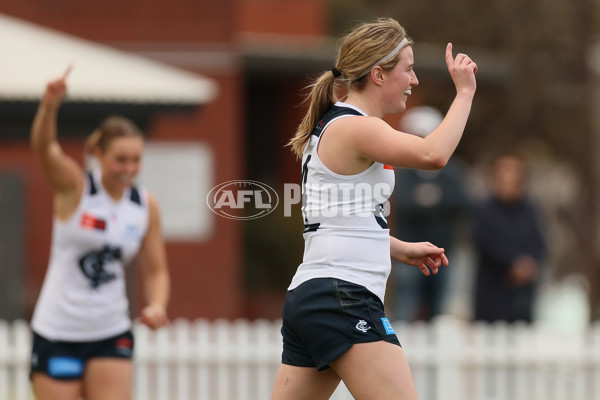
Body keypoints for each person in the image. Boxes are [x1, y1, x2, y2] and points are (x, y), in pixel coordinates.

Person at [271, 18, 477, 400]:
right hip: (342, 296)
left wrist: (398, 247)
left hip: (314, 294)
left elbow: (340, 218)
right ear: (379, 74)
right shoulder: (356, 127)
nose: (414, 80)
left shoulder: (342, 124)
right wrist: (464, 92)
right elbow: (433, 154)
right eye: (408, 68)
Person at [29, 67, 170, 400]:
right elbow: (45, 149)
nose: (129, 169)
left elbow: (156, 268)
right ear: (98, 155)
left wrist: (158, 305)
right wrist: (49, 106)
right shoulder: (75, 189)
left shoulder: (144, 205)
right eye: (120, 160)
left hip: (111, 330)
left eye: (136, 160)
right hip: (58, 330)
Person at [391, 106, 471, 321]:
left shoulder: (452, 172)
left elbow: (463, 204)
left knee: (440, 314)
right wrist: (436, 201)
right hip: (407, 254)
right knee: (405, 310)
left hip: (443, 254)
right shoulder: (401, 171)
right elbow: (406, 205)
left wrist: (430, 199)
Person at [472, 152, 546, 323]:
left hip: (522, 293)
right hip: (493, 290)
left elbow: (539, 241)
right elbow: (485, 241)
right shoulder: (484, 210)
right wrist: (513, 262)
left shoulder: (530, 209)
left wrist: (529, 263)